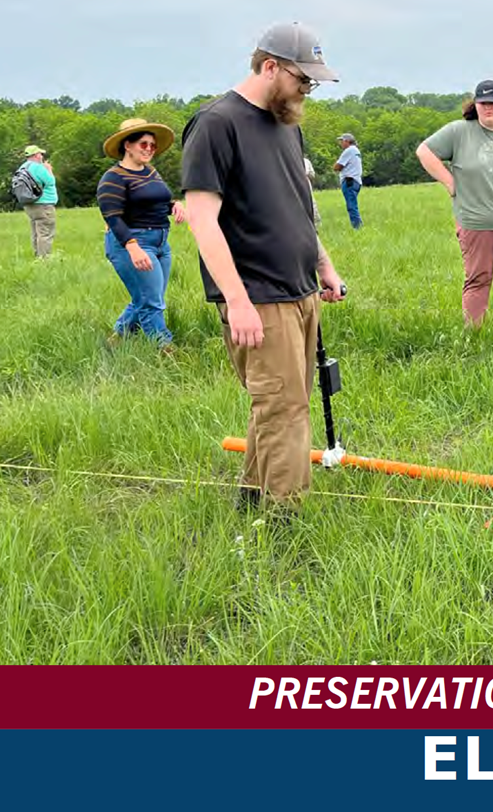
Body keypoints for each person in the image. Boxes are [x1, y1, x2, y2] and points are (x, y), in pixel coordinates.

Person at [181, 21, 348, 513]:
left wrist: (325, 266)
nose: (306, 91)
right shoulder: (215, 124)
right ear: (270, 66)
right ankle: (284, 523)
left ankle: (252, 501)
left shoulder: (284, 124)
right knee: (285, 410)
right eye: (303, 80)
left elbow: (298, 209)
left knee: (277, 406)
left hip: (300, 290)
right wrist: (238, 301)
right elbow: (203, 220)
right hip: (257, 296)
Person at [416, 80, 493, 327]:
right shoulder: (458, 132)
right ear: (474, 105)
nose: (488, 108)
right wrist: (450, 183)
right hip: (476, 222)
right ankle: (475, 335)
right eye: (483, 103)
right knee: (477, 278)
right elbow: (424, 151)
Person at [97, 118, 186, 350]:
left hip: (160, 242)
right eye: (143, 144)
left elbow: (157, 201)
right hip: (131, 242)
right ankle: (165, 350)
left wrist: (174, 206)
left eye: (153, 146)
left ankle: (118, 337)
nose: (149, 149)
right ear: (127, 145)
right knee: (151, 302)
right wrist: (132, 246)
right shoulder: (113, 178)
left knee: (147, 297)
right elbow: (113, 216)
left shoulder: (151, 172)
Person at [18, 145, 58, 258]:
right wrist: (49, 170)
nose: (42, 156)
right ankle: (45, 259)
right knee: (45, 232)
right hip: (43, 204)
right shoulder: (38, 167)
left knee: (36, 231)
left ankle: (38, 255)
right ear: (36, 155)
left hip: (29, 204)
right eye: (40, 154)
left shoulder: (22, 168)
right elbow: (50, 181)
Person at [333, 133, 362, 228]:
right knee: (353, 204)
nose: (341, 143)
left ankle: (357, 227)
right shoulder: (356, 150)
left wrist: (335, 164)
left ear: (347, 141)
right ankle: (357, 225)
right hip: (356, 181)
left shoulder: (349, 150)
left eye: (342, 141)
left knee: (351, 206)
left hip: (349, 181)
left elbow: (337, 166)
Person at [303, 155, 322, 227]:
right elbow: (312, 174)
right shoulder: (306, 161)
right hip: (305, 182)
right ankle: (316, 223)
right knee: (311, 202)